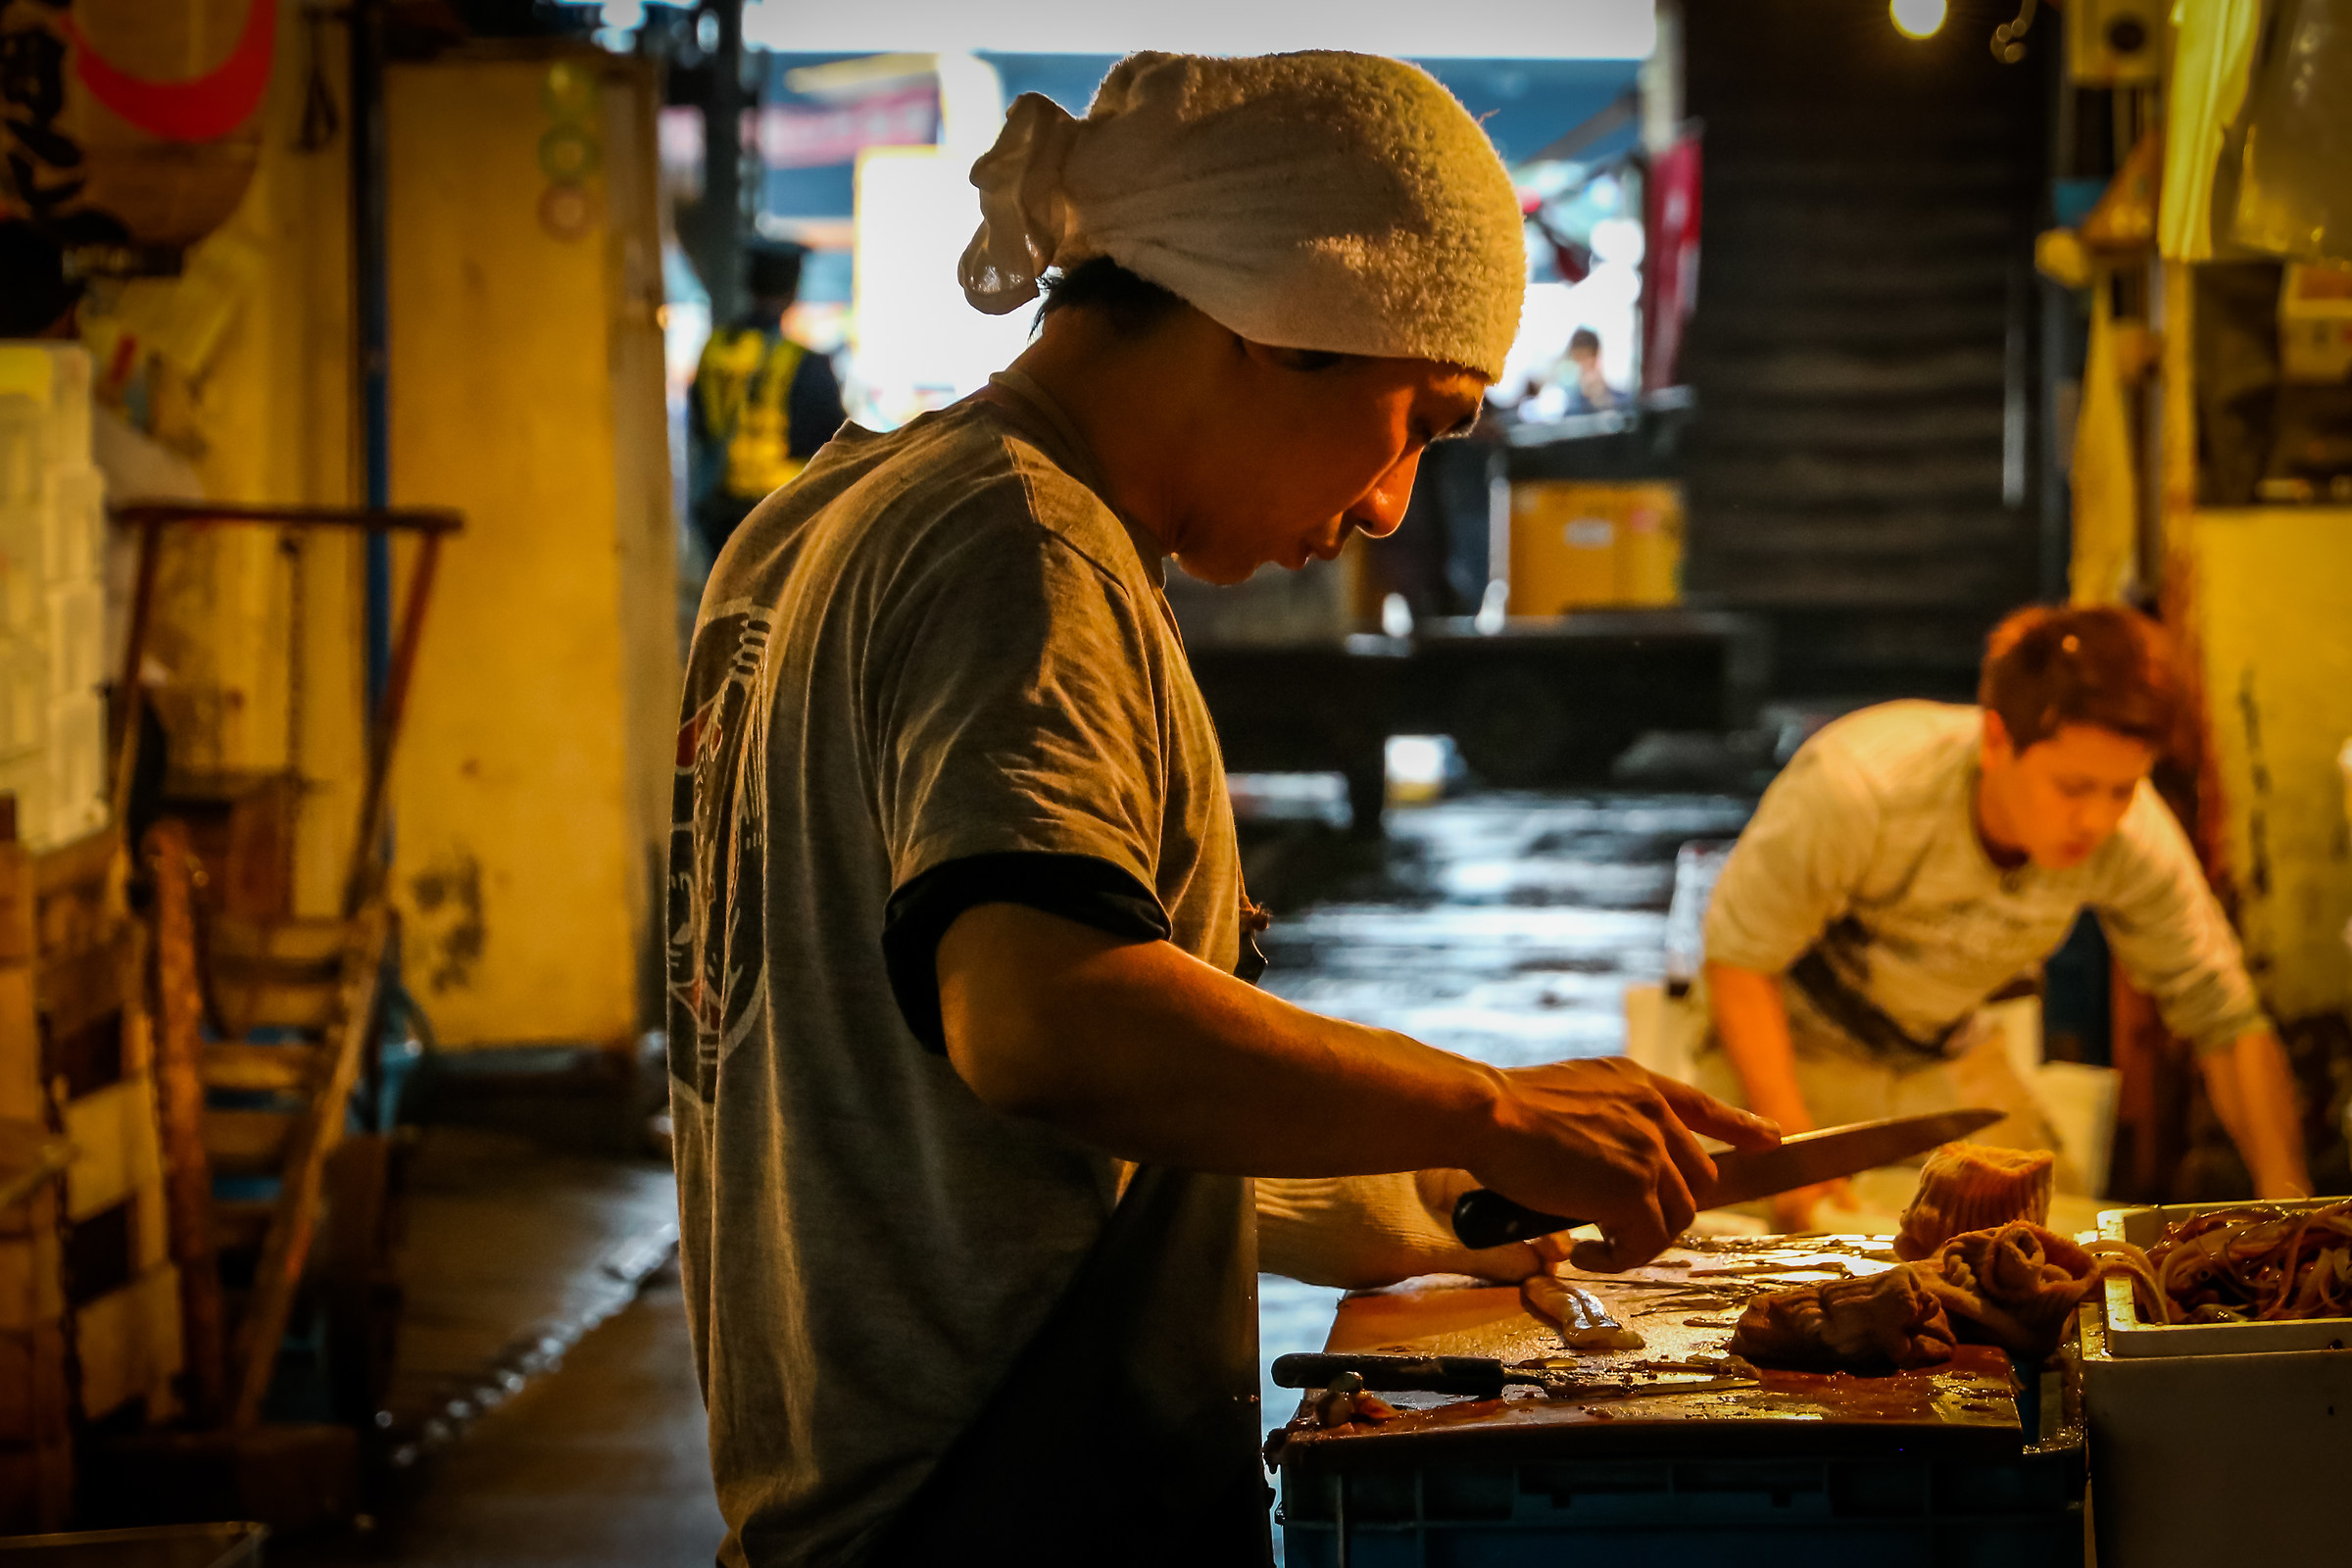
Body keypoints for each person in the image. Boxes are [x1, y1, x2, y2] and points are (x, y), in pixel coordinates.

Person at [667, 52, 1776, 1568]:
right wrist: (1488, 1101)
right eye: (1422, 417)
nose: (1392, 503)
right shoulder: (1025, 546)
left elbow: (948, 1108)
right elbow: (1047, 1024)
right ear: (1287, 324)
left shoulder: (817, 523)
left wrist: (1446, 1181)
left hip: (843, 1488)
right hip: (1006, 1496)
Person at [1698, 604, 2311, 1232]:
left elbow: (2226, 1018)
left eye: (2123, 789)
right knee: (1760, 1249)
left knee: (2059, 1242)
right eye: (2073, 789)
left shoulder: (2133, 835)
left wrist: (2293, 1207)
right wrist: (1797, 1162)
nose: (2098, 822)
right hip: (1790, 1043)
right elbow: (1740, 962)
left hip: (1943, 1049)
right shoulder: (1859, 789)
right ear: (1996, 741)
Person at [687, 239, 848, 560]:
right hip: (782, 506)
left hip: (720, 505)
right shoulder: (803, 361)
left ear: (750, 285)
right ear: (793, 291)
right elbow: (835, 440)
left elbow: (700, 420)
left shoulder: (715, 348)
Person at [1560, 325, 1617, 413]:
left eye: (1584, 357)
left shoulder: (1621, 401)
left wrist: (1600, 397)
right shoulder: (1570, 404)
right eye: (1577, 358)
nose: (1580, 365)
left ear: (1596, 357)